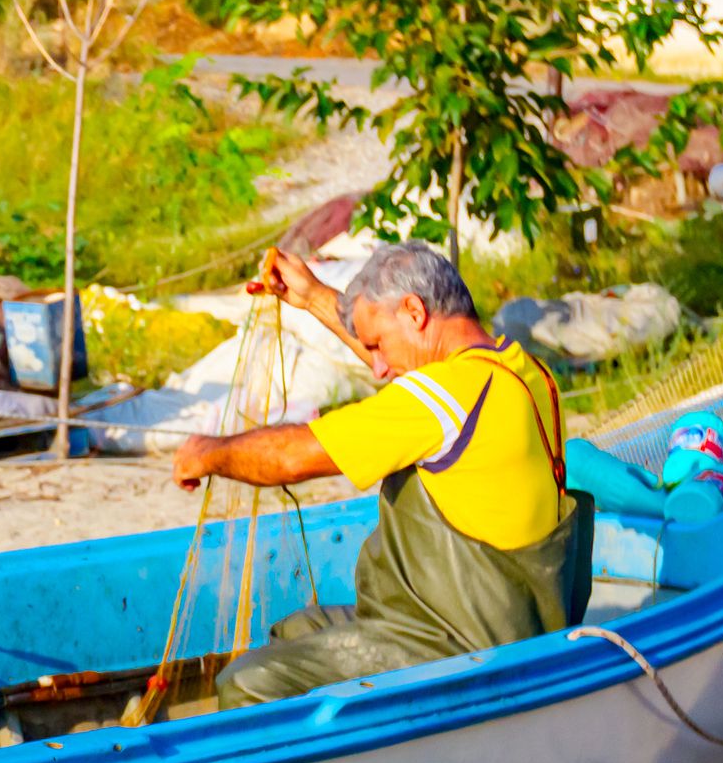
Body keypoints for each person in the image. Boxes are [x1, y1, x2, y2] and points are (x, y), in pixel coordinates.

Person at [170, 240, 588, 707]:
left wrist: (209, 453)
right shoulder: (522, 370)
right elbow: (400, 364)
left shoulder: (443, 397)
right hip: (514, 619)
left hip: (462, 643)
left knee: (249, 681)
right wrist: (311, 296)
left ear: (414, 311)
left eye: (378, 345)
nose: (379, 366)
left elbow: (293, 457)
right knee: (298, 629)